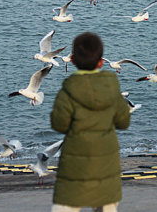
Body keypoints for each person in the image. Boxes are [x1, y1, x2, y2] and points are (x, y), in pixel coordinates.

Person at [50, 32, 131, 212]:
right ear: (101, 62)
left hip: (74, 166)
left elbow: (59, 124)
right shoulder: (112, 87)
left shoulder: (68, 90)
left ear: (72, 61)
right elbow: (124, 121)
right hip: (106, 166)